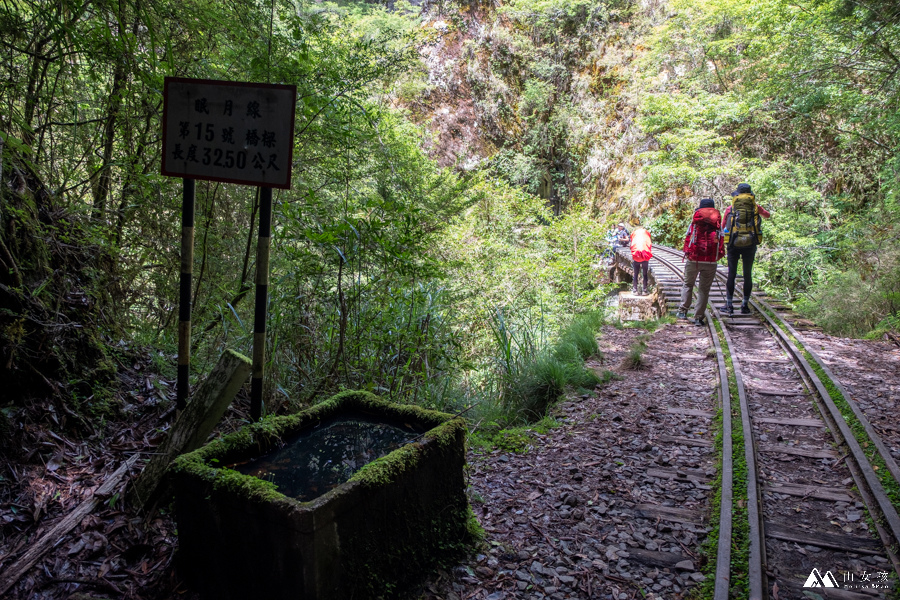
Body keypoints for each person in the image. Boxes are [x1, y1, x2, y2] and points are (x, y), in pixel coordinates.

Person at [722, 183, 770, 315]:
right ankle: (744, 305)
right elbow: (767, 215)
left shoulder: (730, 208)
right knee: (747, 274)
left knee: (731, 274)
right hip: (750, 244)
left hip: (733, 244)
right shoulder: (755, 207)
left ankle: (729, 305)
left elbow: (723, 227)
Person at [676, 198, 725, 326]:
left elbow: (688, 238)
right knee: (704, 290)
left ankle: (683, 311)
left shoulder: (695, 223)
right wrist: (716, 257)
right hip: (710, 261)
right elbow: (721, 243)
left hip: (694, 259)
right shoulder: (718, 224)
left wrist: (688, 253)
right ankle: (698, 318)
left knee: (688, 285)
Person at [630, 224, 652, 295]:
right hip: (645, 255)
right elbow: (649, 244)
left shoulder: (635, 233)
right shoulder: (645, 233)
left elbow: (632, 243)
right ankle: (644, 290)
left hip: (636, 255)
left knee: (636, 274)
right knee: (645, 274)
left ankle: (635, 290)